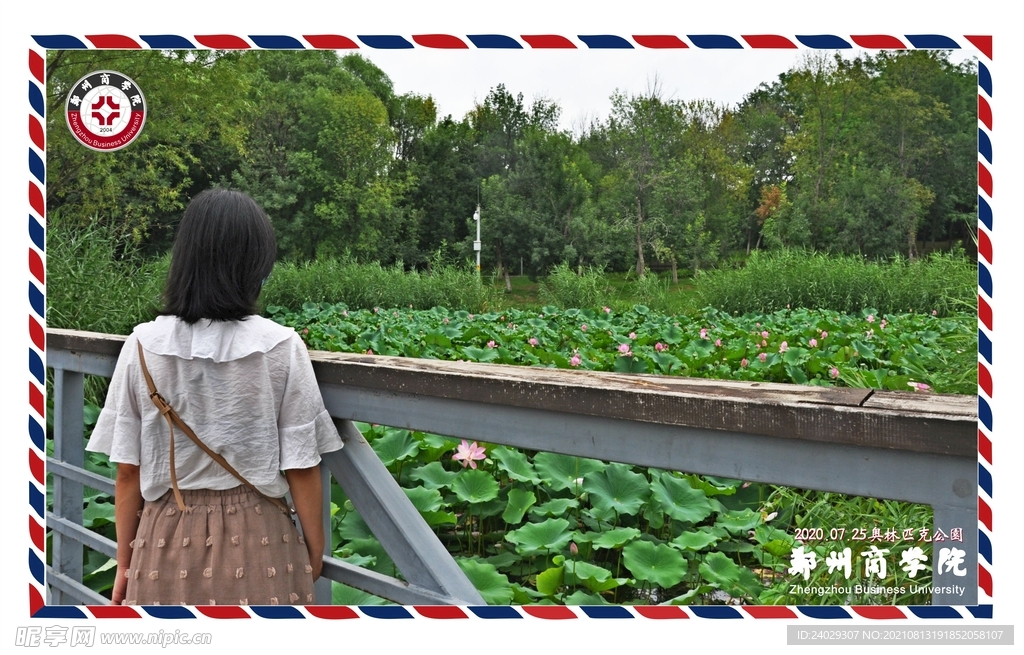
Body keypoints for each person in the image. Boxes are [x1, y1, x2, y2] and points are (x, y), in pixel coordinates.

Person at [87, 188, 343, 606]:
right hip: (262, 540)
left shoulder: (141, 344)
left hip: (164, 537)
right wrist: (314, 550)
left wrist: (125, 561)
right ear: (253, 263)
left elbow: (128, 473)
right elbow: (301, 465)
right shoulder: (281, 346)